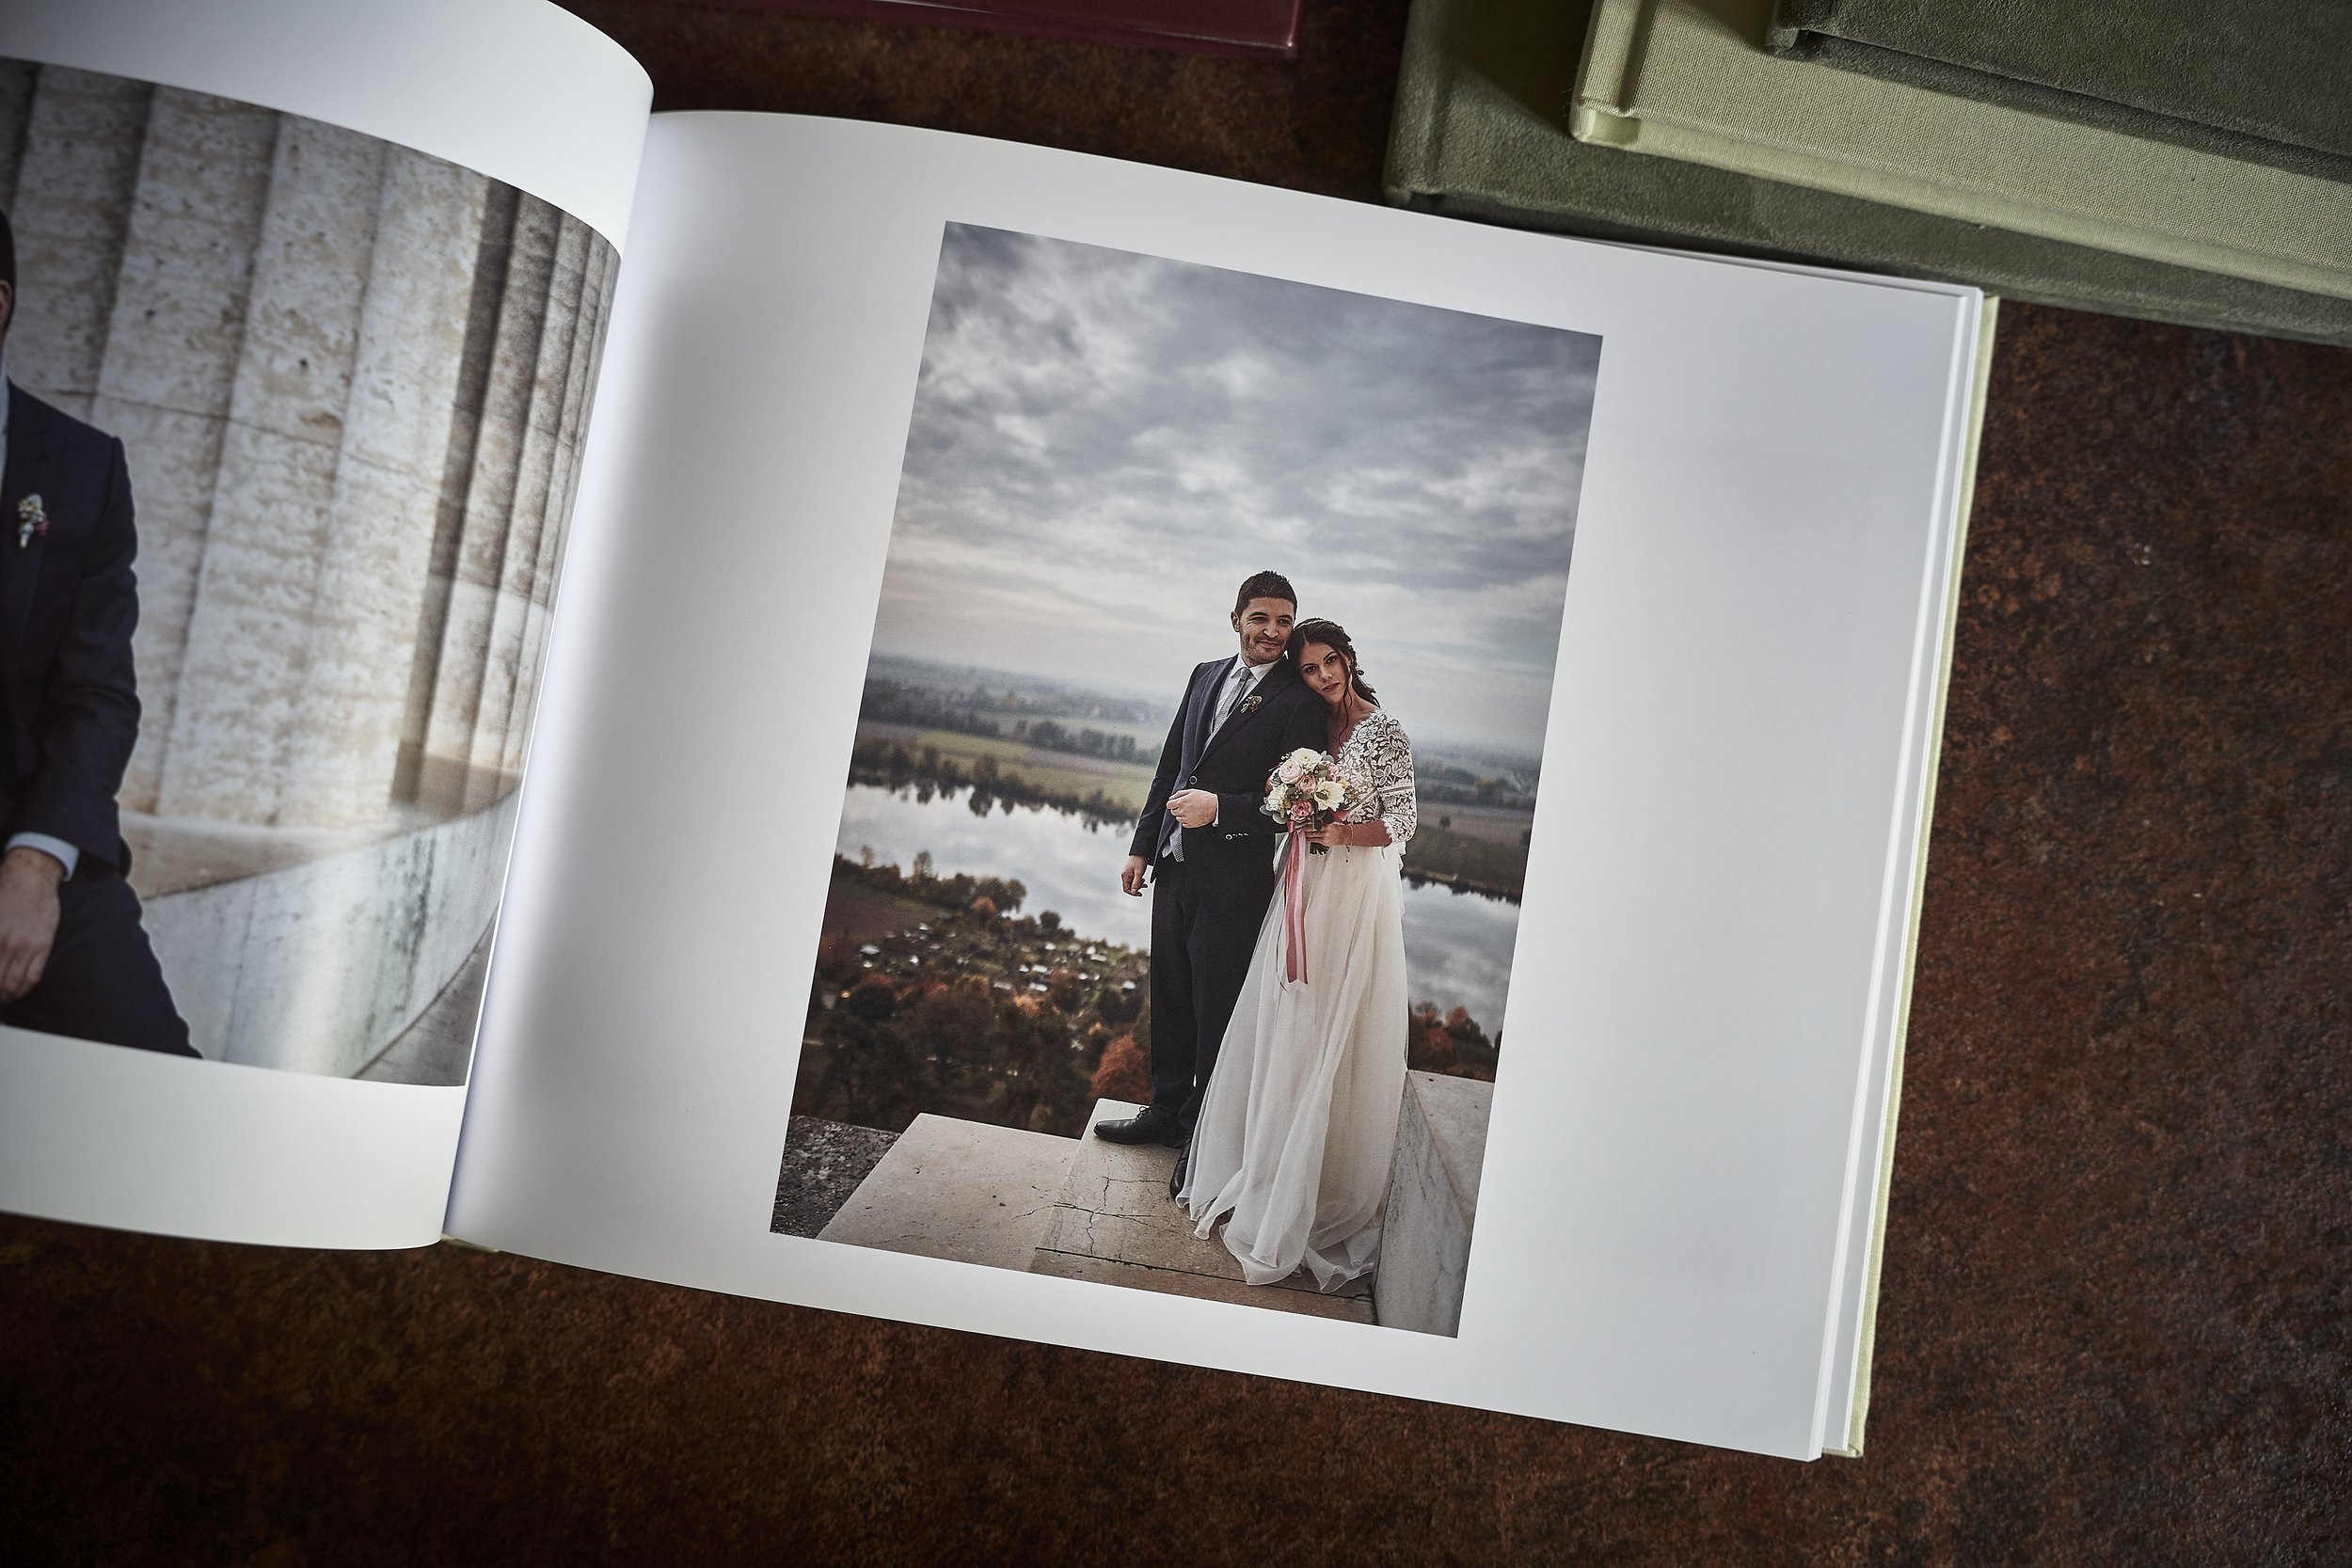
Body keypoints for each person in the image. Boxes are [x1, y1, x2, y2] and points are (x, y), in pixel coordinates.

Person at [0, 207, 192, 1055]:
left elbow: (99, 693)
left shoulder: (83, 468)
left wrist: (36, 862)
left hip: (25, 832)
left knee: (158, 1069)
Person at [1180, 618, 1415, 1291]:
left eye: (1330, 661)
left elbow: (1402, 821)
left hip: (1350, 892)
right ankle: (1266, 1168)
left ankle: (1315, 1186)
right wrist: (1295, 813)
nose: (1323, 676)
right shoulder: (1312, 729)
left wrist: (1337, 833)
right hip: (1300, 882)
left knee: (1329, 1019)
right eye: (1310, 668)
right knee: (1287, 1018)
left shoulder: (1384, 730)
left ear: (1349, 658)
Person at [1099, 571, 1327, 1185]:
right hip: (1174, 868)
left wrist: (1221, 808)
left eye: (1284, 621)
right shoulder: (1203, 674)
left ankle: (1202, 1142)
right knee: (1171, 996)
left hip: (1234, 882)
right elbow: (1171, 765)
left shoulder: (1299, 702)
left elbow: (1296, 805)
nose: (1273, 631)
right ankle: (1164, 1112)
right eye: (1260, 618)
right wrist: (1141, 847)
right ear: (1235, 620)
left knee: (1215, 1013)